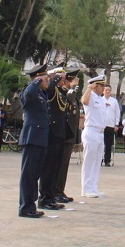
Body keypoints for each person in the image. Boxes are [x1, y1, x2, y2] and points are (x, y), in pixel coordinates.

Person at [17, 65, 50, 218]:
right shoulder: (28, 91)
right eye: (45, 78)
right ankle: (25, 207)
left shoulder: (41, 94)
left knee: (34, 175)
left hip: (40, 139)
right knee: (28, 175)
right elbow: (28, 94)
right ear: (38, 78)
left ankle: (31, 205)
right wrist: (36, 81)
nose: (47, 81)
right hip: (32, 138)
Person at [39, 68, 69, 210]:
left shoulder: (60, 91)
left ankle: (51, 196)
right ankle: (44, 198)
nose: (64, 80)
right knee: (48, 168)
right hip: (52, 132)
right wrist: (55, 77)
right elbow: (49, 89)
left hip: (60, 133)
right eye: (62, 78)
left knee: (55, 167)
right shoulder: (51, 90)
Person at [54, 70, 81, 204]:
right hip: (63, 134)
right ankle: (56, 191)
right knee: (59, 164)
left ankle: (60, 190)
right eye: (72, 80)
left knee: (64, 165)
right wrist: (73, 88)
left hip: (69, 133)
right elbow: (66, 104)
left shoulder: (67, 93)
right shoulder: (61, 93)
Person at [80, 74, 108, 198]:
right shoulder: (90, 95)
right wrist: (89, 88)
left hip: (100, 132)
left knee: (97, 161)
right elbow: (84, 101)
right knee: (89, 161)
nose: (103, 88)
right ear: (96, 86)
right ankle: (86, 188)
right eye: (101, 86)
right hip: (91, 131)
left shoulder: (101, 99)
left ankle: (93, 187)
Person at [102, 85, 121, 167]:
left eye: (108, 90)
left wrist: (116, 124)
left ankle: (107, 160)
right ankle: (99, 160)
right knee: (100, 144)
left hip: (110, 125)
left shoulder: (114, 101)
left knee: (108, 144)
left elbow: (117, 113)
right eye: (105, 90)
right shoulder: (100, 100)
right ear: (103, 91)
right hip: (101, 125)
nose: (107, 91)